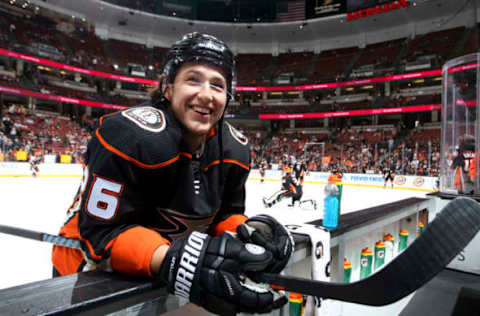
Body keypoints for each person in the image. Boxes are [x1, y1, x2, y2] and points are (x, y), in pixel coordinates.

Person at [52, 33, 293, 315]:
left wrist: (250, 233)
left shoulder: (235, 150)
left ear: (227, 99)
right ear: (168, 88)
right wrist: (173, 259)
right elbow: (101, 234)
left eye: (217, 85)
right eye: (193, 79)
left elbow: (224, 215)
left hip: (159, 265)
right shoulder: (129, 137)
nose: (206, 94)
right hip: (86, 267)